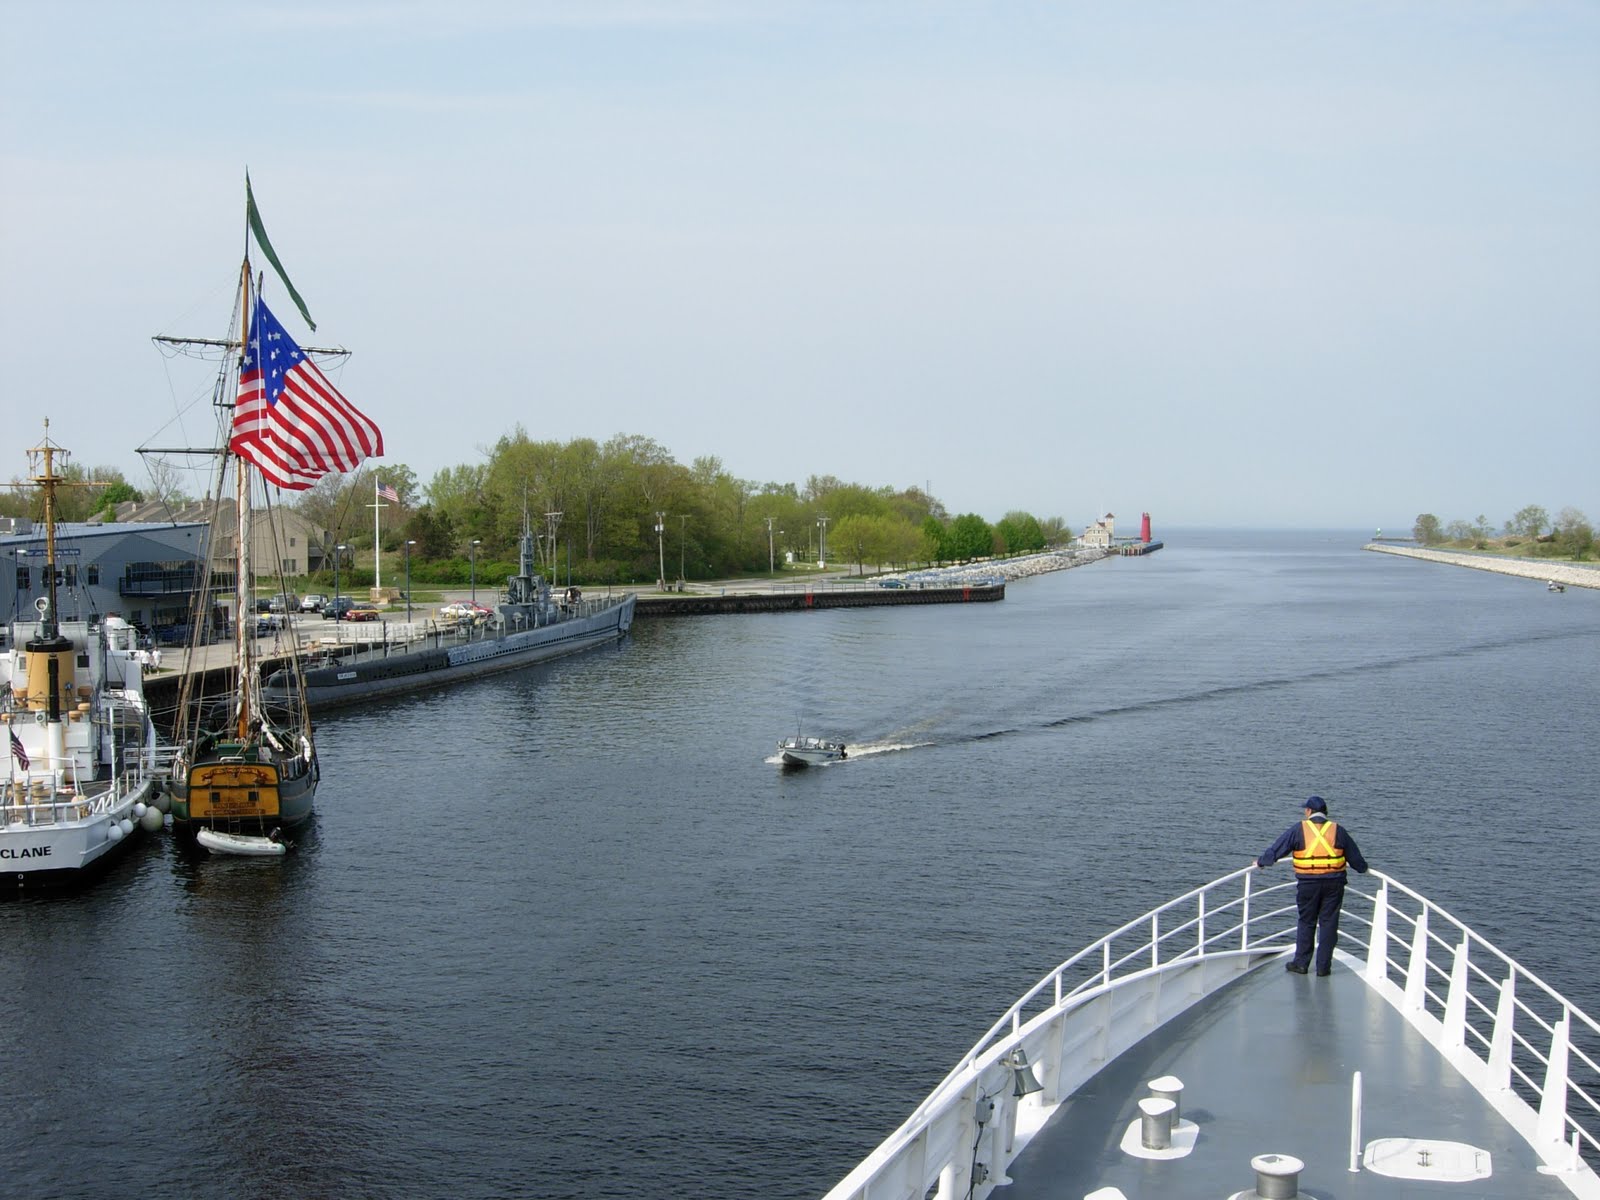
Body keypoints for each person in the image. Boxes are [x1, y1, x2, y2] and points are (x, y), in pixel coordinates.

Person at [1253, 795, 1369, 976]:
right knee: (1329, 924)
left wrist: (1262, 862)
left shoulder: (1299, 829)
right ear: (1325, 813)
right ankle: (1323, 967)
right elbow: (1357, 862)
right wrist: (1363, 868)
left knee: (1307, 922)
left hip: (1308, 884)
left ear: (1309, 811)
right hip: (1334, 884)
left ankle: (1301, 964)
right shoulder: (1338, 830)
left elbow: (1278, 848)